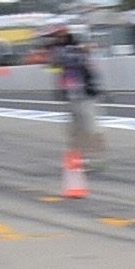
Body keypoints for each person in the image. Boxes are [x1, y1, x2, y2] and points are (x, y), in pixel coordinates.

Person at [44, 20, 104, 185]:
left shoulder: (78, 49)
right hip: (71, 94)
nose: (55, 39)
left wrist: (80, 50)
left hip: (85, 92)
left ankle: (95, 157)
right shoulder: (60, 51)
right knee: (73, 129)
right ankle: (78, 158)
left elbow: (83, 61)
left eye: (58, 35)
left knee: (89, 126)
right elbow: (55, 64)